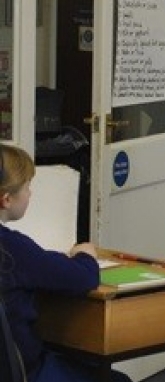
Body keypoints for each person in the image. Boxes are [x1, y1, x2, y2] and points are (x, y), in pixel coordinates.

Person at [0, 144, 131, 382]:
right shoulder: (14, 250)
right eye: (27, 187)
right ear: (7, 199)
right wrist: (86, 255)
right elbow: (82, 278)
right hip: (26, 372)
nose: (30, 194)